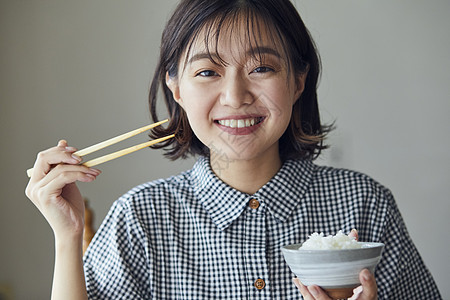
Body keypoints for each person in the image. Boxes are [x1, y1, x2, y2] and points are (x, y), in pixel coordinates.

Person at [25, 0, 442, 299]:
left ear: (298, 81)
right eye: (207, 71)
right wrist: (68, 236)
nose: (235, 95)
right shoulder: (139, 218)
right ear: (177, 89)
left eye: (261, 68)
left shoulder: (365, 204)